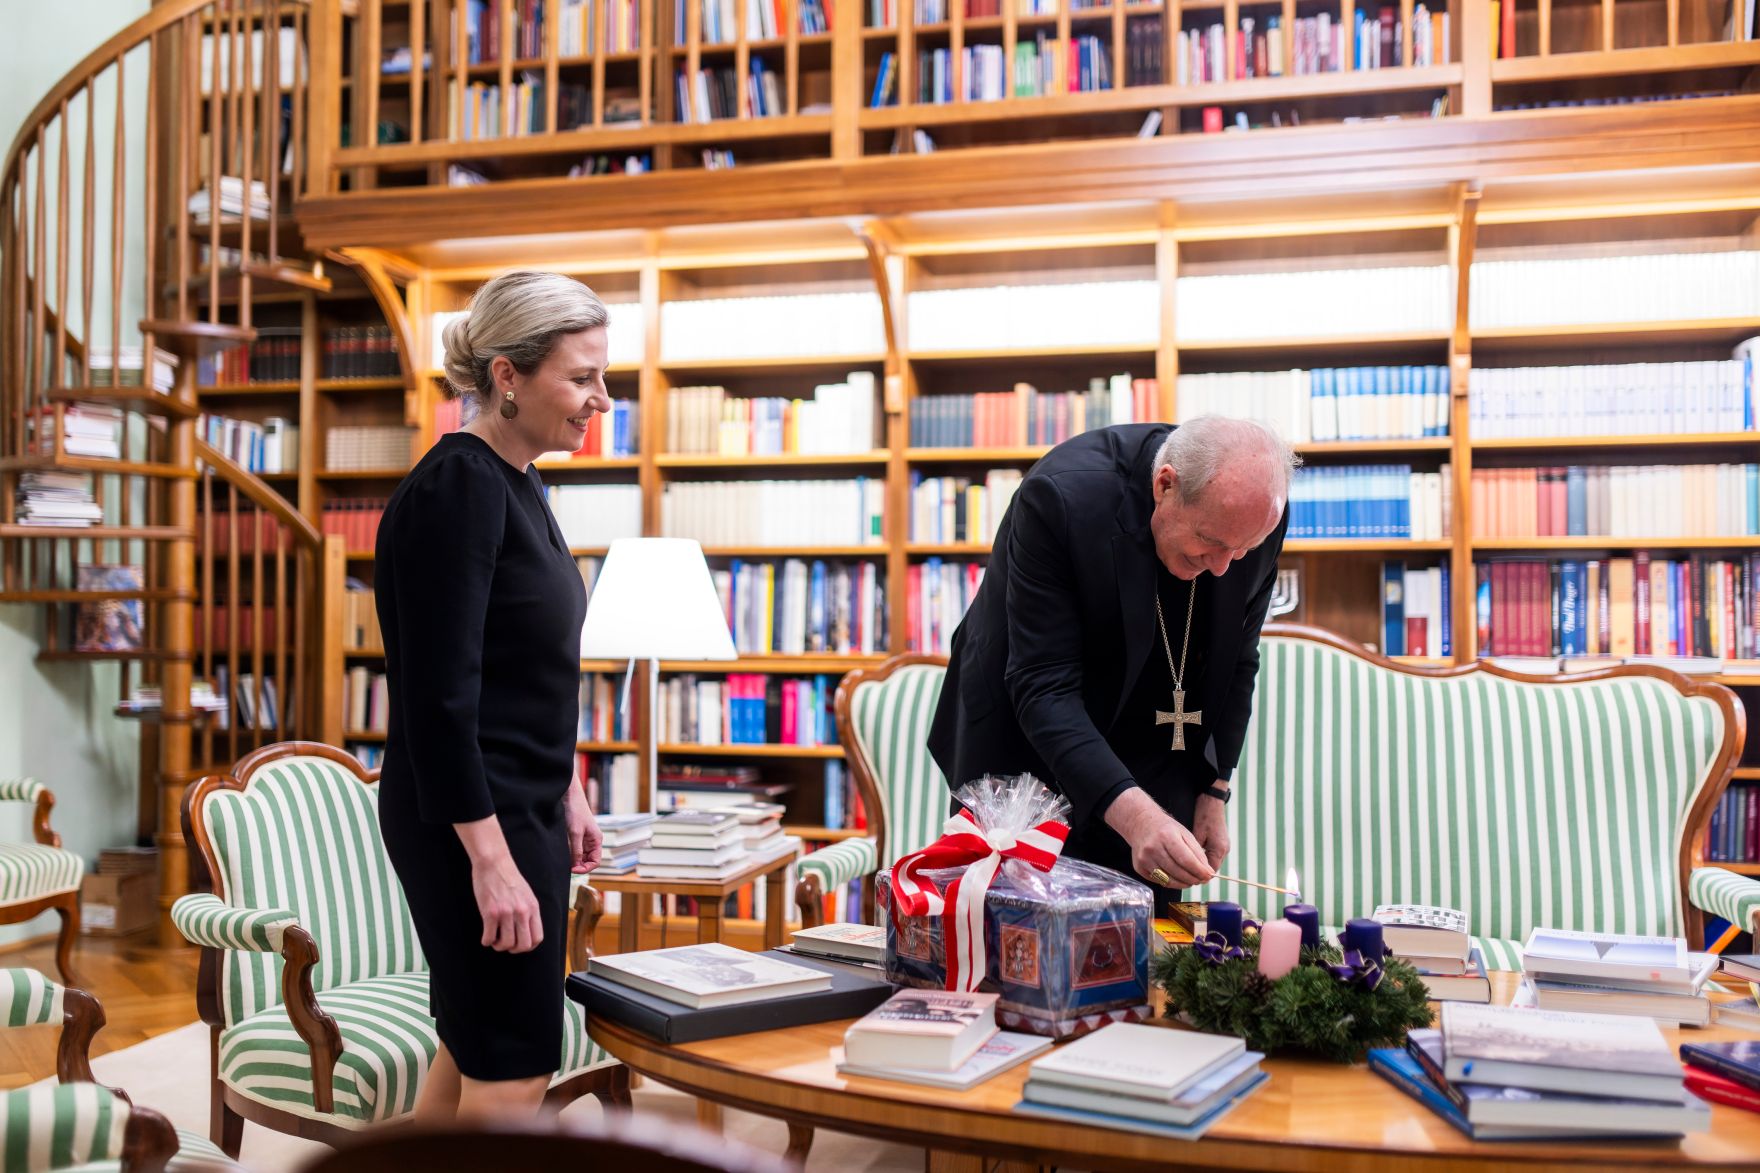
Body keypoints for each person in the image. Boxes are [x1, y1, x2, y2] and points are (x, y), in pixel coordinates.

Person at [375, 270, 612, 1123]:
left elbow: (525, 672)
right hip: (471, 819)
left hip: (520, 804)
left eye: (602, 377)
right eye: (580, 377)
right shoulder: (460, 488)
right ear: (507, 375)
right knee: (513, 1061)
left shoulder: (518, 480)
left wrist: (568, 788)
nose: (600, 399)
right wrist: (491, 860)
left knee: (477, 1042)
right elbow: (441, 701)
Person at [927, 417, 1295, 914]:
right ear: (1165, 485)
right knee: (1022, 943)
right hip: (1026, 752)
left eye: (1243, 549)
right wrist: (1138, 817)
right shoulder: (1060, 499)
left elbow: (1239, 660)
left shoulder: (1254, 514)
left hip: (1156, 739)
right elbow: (1043, 687)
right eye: (1211, 542)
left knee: (1143, 941)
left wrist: (1213, 788)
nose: (1224, 568)